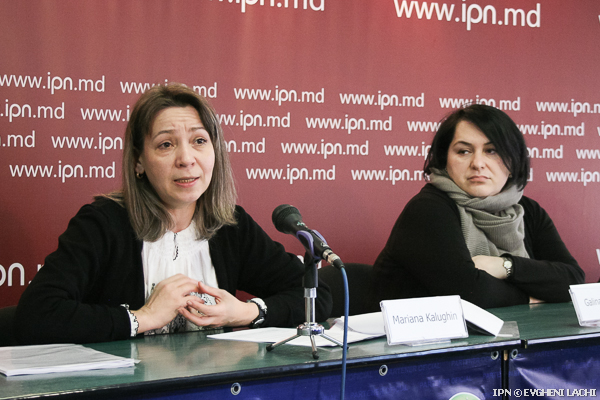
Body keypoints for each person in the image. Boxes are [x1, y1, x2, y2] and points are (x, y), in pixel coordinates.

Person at [15, 83, 332, 344]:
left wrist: (245, 312)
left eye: (199, 141)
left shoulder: (230, 226)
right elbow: (36, 315)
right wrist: (142, 318)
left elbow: (318, 297)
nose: (186, 158)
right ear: (138, 161)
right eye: (166, 144)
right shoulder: (103, 224)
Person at [370, 104, 584, 309]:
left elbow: (573, 280)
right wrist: (529, 296)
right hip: (416, 334)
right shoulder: (428, 209)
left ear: (513, 161)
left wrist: (505, 266)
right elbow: (469, 292)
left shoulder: (528, 211)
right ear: (444, 160)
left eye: (492, 151)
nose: (478, 163)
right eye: (464, 151)